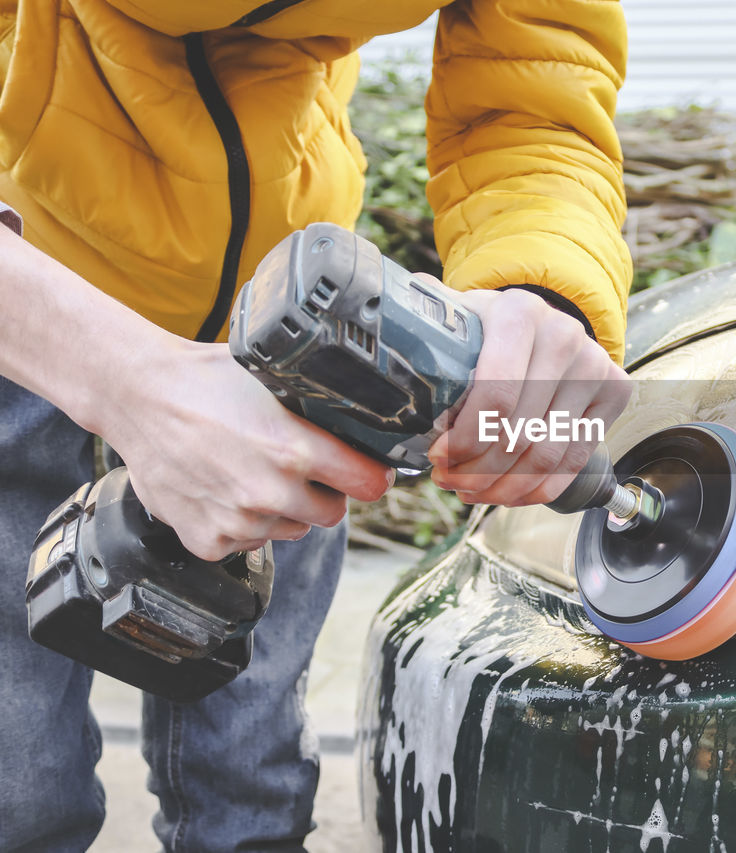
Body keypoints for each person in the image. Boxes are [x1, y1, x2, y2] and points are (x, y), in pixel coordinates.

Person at [0, 1, 632, 850]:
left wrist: (539, 288)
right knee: (20, 784)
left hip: (292, 319)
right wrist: (121, 377)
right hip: (32, 278)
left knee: (252, 780)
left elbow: (535, 88)